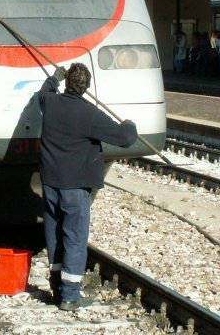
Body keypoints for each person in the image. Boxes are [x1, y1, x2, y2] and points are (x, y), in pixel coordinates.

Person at [38, 63, 138, 311]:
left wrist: (54, 78)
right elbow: (125, 138)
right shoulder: (89, 114)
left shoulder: (50, 104)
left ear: (68, 82)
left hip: (50, 183)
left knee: (54, 235)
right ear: (87, 87)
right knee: (74, 237)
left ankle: (56, 288)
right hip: (75, 186)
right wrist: (129, 124)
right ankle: (70, 295)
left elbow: (43, 93)